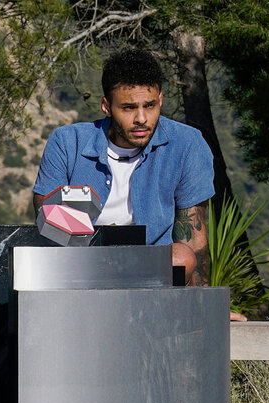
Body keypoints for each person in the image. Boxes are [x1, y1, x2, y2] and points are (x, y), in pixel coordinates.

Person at [32, 48, 246, 321]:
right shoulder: (67, 142)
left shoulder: (187, 144)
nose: (141, 119)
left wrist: (206, 305)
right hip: (82, 263)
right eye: (128, 108)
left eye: (150, 105)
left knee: (181, 256)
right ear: (106, 106)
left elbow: (193, 233)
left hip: (148, 267)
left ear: (160, 99)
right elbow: (46, 221)